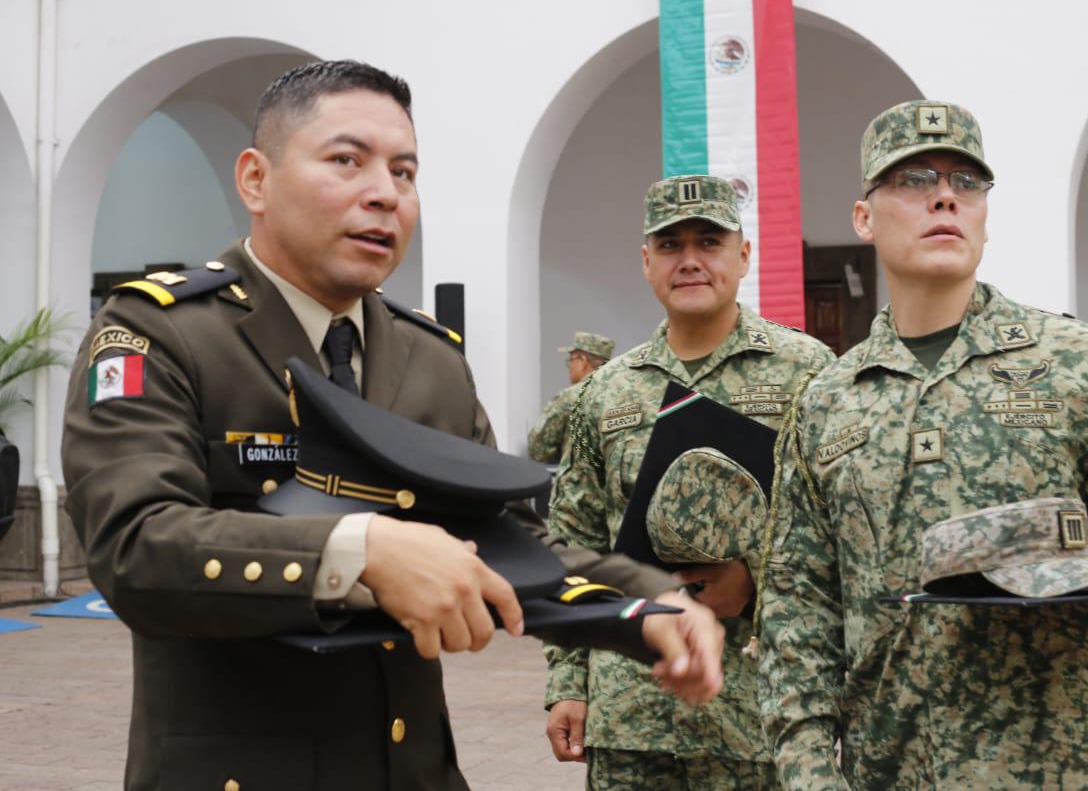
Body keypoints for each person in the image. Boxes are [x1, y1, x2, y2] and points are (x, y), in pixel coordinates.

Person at [61, 60, 725, 791]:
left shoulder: (427, 357)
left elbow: (509, 545)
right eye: (346, 161)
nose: (385, 193)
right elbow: (135, 545)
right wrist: (362, 550)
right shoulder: (163, 333)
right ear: (255, 179)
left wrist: (645, 604)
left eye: (404, 172)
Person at [756, 99, 1088, 788]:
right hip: (891, 769)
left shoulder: (1072, 360)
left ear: (984, 216)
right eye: (914, 179)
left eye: (966, 181)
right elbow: (797, 609)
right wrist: (809, 773)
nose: (945, 196)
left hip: (1053, 768)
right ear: (864, 217)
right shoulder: (827, 402)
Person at [544, 175, 834, 787]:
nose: (691, 260)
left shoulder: (808, 373)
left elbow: (841, 533)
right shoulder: (606, 391)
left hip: (761, 709)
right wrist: (569, 684)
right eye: (671, 245)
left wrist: (753, 584)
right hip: (631, 711)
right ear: (648, 261)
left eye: (710, 241)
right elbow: (571, 543)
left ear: (744, 255)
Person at [528, 331, 615, 464]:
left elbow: (538, 449)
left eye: (571, 360)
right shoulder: (622, 394)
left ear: (583, 361)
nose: (570, 367)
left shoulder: (569, 397)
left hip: (579, 482)